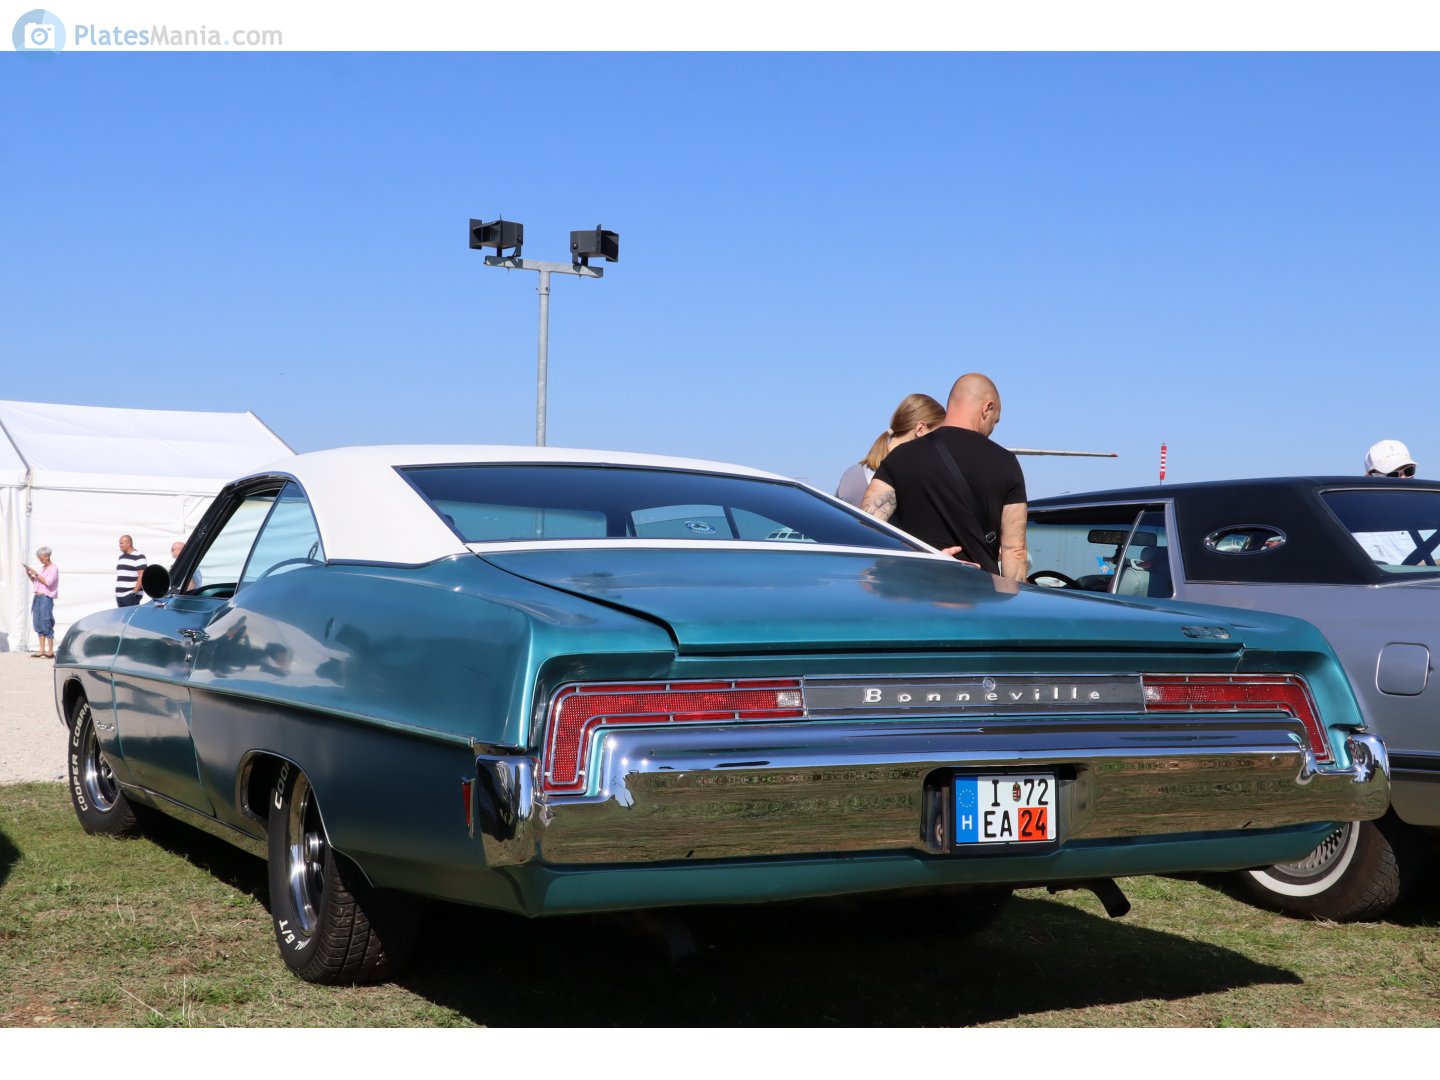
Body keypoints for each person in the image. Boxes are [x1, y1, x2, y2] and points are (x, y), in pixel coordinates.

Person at [861, 373, 1028, 581]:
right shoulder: (1006, 463)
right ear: (988, 408)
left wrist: (918, 559)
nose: (992, 429)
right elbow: (1014, 550)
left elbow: (867, 530)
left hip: (914, 591)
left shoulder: (902, 456)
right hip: (980, 597)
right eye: (996, 421)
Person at [834, 394, 945, 507]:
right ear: (920, 429)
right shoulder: (906, 486)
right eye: (935, 437)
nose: (937, 447)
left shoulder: (853, 474)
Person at [23, 546, 58, 658]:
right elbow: (37, 583)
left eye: (41, 557)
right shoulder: (43, 569)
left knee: (46, 621)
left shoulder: (53, 568)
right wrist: (30, 574)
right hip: (37, 598)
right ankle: (41, 650)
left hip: (46, 598)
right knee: (37, 622)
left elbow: (48, 582)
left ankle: (50, 650)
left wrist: (36, 574)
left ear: (47, 557)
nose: (40, 559)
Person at [116, 534, 147, 607]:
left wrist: (134, 593)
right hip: (120, 596)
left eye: (121, 543)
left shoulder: (139, 556)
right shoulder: (121, 557)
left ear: (129, 543)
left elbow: (142, 576)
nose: (119, 545)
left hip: (130, 596)